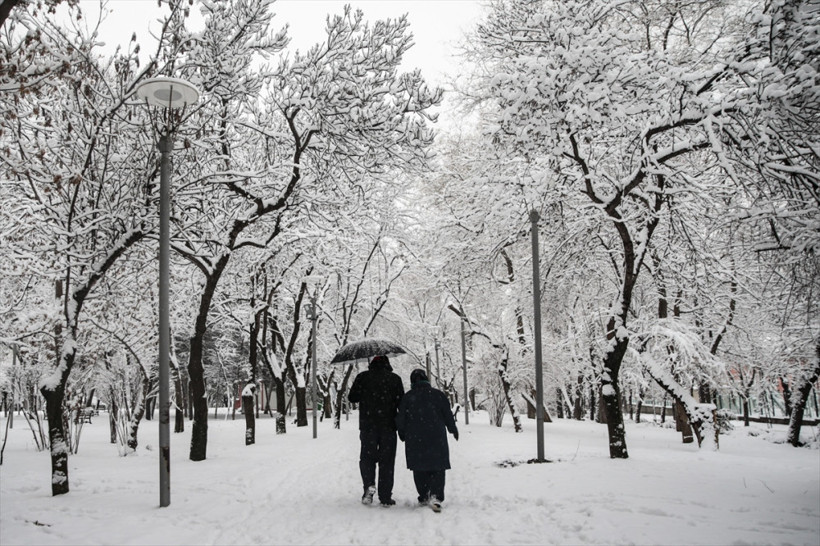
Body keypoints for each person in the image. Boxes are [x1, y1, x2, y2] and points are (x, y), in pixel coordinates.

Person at [396, 369, 458, 513]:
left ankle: (424, 495)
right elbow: (447, 414)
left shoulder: (408, 397)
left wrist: (402, 433)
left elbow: (401, 418)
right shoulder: (438, 395)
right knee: (438, 467)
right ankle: (436, 495)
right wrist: (453, 429)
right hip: (436, 436)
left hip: (415, 438)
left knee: (419, 467)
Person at [348, 355, 404, 506]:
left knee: (367, 458)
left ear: (371, 364)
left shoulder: (362, 377)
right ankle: (385, 496)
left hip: (368, 426)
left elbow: (352, 397)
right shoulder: (395, 379)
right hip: (389, 427)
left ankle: (369, 485)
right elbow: (401, 403)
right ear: (387, 364)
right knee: (387, 461)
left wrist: (365, 389)